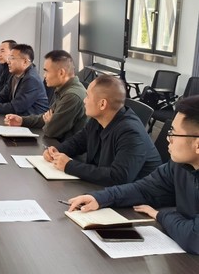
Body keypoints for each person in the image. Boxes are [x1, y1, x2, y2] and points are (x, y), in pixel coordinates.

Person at [67, 95, 199, 254]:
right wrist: (100, 198)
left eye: (174, 133)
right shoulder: (179, 165)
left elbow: (194, 238)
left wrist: (161, 215)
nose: (168, 138)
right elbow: (145, 189)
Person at [44, 75, 162, 186]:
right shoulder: (98, 119)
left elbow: (118, 177)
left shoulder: (131, 132)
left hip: (140, 196)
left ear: (102, 104)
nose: (84, 100)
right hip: (106, 189)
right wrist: (56, 151)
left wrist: (69, 166)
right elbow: (78, 142)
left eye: (88, 96)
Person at [4, 50, 87, 141]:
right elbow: (46, 117)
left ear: (61, 73)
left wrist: (50, 122)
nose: (44, 76)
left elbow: (50, 131)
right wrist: (22, 120)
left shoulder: (72, 96)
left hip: (64, 148)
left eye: (47, 71)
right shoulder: (63, 89)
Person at [0, 44, 48, 115]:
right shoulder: (15, 74)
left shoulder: (31, 79)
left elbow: (15, 107)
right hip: (19, 117)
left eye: (12, 58)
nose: (8, 61)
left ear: (25, 62)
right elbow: (3, 95)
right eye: (9, 58)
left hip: (32, 121)